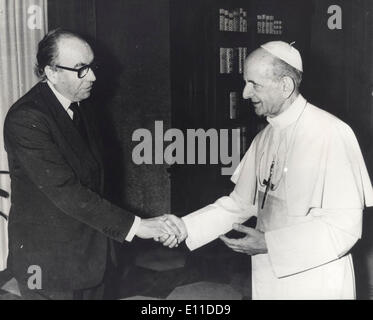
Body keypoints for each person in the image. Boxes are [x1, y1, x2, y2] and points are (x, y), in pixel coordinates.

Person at [161, 41, 373, 299]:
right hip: (268, 272)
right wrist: (185, 227)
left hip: (316, 279)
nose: (245, 93)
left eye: (254, 85)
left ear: (285, 86)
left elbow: (345, 228)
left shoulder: (331, 133)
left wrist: (269, 244)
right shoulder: (265, 137)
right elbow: (240, 203)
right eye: (245, 82)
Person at [3, 28, 179, 300]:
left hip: (92, 254)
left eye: (92, 66)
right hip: (49, 265)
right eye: (81, 69)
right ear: (51, 72)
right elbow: (66, 191)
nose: (93, 76)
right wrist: (138, 226)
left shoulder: (81, 104)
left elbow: (94, 180)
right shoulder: (27, 119)